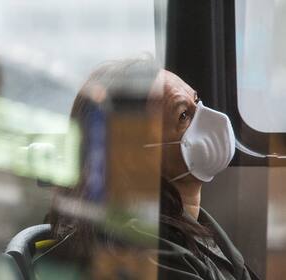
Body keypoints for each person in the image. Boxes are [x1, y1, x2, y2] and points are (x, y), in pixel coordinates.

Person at [37, 56, 259, 280]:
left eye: (197, 101)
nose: (211, 118)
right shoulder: (146, 252)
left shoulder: (191, 225)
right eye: (184, 115)